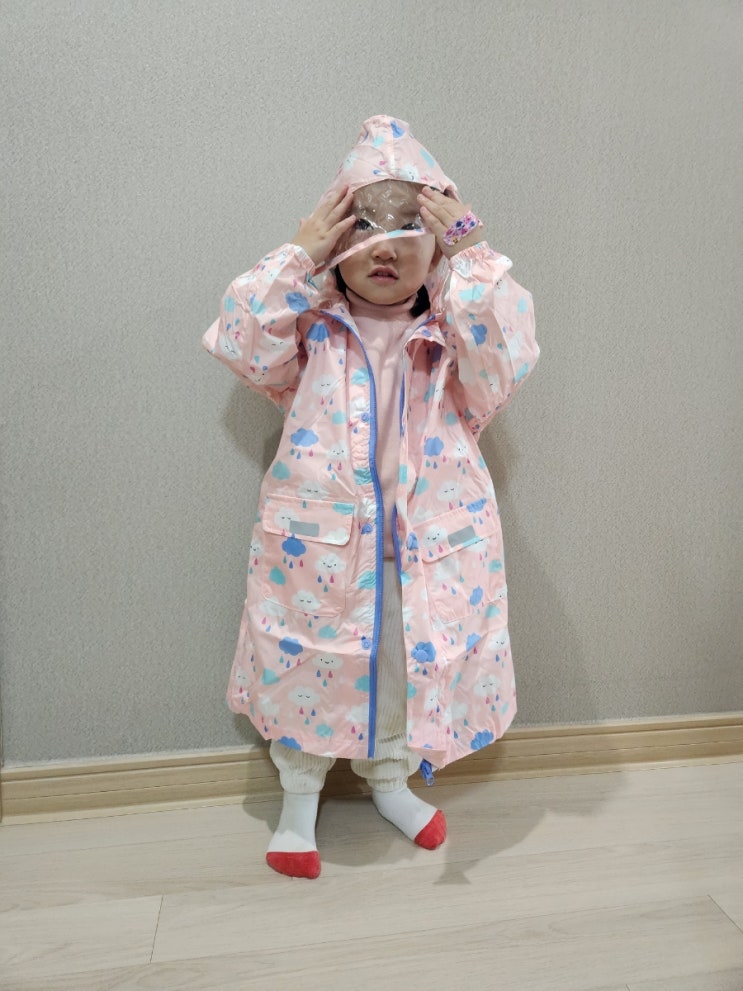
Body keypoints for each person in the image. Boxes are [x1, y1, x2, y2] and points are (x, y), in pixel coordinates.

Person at [203, 115, 539, 879]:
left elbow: (509, 354)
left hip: (428, 552)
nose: (384, 248)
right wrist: (298, 256)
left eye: (407, 230)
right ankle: (297, 801)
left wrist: (473, 254)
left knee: (399, 677)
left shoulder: (454, 338)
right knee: (306, 663)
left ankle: (390, 781)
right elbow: (238, 340)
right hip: (319, 550)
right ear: (337, 240)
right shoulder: (311, 330)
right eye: (363, 228)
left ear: (437, 244)